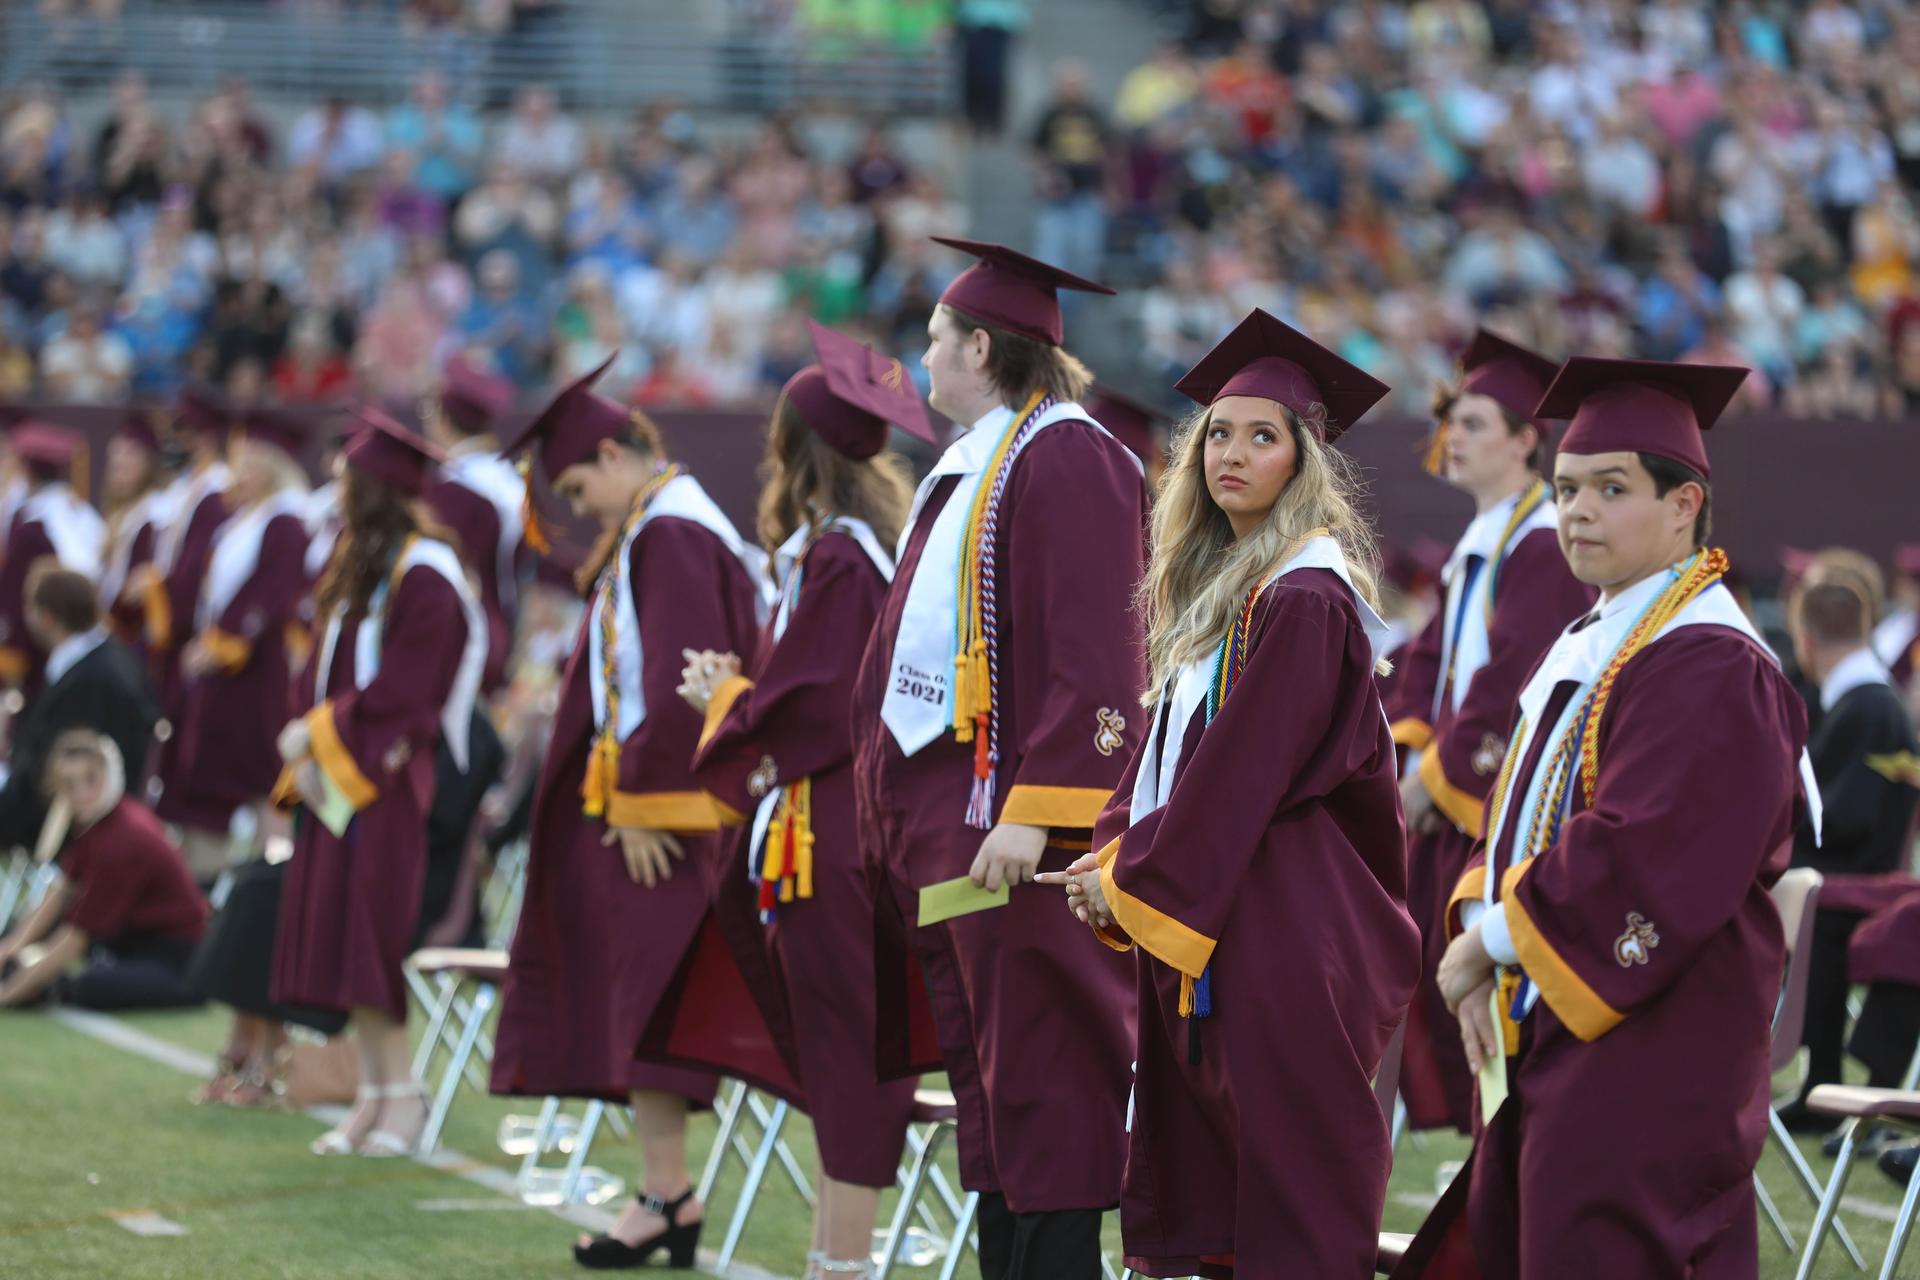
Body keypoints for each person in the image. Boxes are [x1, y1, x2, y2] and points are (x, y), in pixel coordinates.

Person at [1399, 357, 1823, 1278]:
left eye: (1611, 489)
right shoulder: (1597, 636)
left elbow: (1643, 853)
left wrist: (1490, 941)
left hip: (1648, 1044)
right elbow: (1510, 814)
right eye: (1565, 489)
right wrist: (1475, 934)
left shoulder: (1710, 660)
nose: (1577, 511)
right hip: (1552, 1021)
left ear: (1684, 505)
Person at [1041, 309, 1421, 1275]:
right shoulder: (1230, 593)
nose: (1232, 455)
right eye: (1218, 433)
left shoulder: (1305, 597)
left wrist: (1127, 875)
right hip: (1228, 923)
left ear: (1304, 461)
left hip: (1287, 927)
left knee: (1292, 1205)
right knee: (1227, 1201)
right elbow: (1166, 755)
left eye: (1263, 436)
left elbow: (1237, 775)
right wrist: (1110, 848)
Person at [848, 237, 1143, 1280]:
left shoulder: (1067, 454)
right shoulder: (982, 457)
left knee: (1048, 1082)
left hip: (1021, 841)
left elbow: (1096, 652)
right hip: (962, 838)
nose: (922, 358)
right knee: (996, 1088)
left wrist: (1038, 809)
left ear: (981, 346)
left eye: (936, 338)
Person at [487, 356, 767, 1271]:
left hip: (668, 814)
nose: (576, 507)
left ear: (613, 454)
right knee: (642, 1002)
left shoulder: (672, 531)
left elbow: (687, 679)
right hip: (643, 804)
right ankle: (663, 1193)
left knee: (657, 1002)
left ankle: (667, 1194)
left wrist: (648, 805)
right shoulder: (656, 523)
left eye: (576, 487)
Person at [682, 322, 933, 1279]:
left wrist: (727, 701)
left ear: (793, 449)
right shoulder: (844, 552)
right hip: (823, 829)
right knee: (836, 1047)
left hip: (836, 834)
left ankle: (845, 1263)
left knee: (851, 1049)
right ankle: (832, 1255)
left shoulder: (840, 559)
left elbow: (821, 705)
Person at [1386, 331, 1595, 1134]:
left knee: (1483, 989)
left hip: (1499, 809)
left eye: (1474, 422)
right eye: (1452, 421)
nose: (1454, 436)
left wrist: (1436, 778)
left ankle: (1498, 1153)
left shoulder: (1542, 540)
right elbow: (1427, 662)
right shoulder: (1483, 541)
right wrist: (1405, 753)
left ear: (1524, 440)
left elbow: (1511, 678)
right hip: (1449, 798)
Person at [274, 407, 485, 1158]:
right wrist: (305, 749)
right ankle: (371, 1094)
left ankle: (404, 1097)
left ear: (376, 492)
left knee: (374, 938)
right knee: (344, 938)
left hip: (386, 785)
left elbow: (408, 696)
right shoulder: (362, 564)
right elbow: (321, 670)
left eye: (347, 484)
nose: (336, 497)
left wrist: (317, 734)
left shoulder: (426, 576)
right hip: (338, 780)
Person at [1777, 564, 1920, 1128]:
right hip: (1851, 875)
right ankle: (1818, 1080)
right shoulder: (1862, 702)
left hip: (1861, 882)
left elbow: (1846, 818)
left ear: (1806, 639)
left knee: (1807, 901)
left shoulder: (1868, 707)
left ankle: (1823, 1081)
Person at [155, 409, 312, 882]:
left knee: (268, 780)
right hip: (222, 677)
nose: (240, 469)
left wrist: (226, 641)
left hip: (258, 674)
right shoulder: (242, 518)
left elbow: (273, 594)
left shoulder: (286, 520)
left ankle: (274, 877)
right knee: (215, 781)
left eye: (250, 459)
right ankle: (208, 883)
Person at [0, 732, 206, 1011]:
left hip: (173, 956)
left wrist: (7, 995)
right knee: (16, 934)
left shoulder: (123, 836)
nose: (81, 794)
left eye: (90, 779)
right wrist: (10, 947)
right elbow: (59, 891)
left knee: (87, 987)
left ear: (109, 775)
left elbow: (75, 938)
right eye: (70, 784)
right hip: (128, 938)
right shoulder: (96, 822)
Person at [0, 562, 159, 853]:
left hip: (70, 824)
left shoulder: (90, 681)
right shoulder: (109, 657)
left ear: (47, 617)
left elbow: (54, 773)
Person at [421, 355, 524, 696]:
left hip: (465, 635)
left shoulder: (458, 491)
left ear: (443, 420)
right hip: (503, 627)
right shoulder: (506, 479)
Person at [0, 421, 106, 692]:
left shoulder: (31, 526)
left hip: (42, 647)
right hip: (91, 640)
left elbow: (13, 597)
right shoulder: (83, 514)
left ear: (27, 471)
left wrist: (11, 652)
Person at [96, 407, 173, 653]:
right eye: (117, 453)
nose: (121, 461)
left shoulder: (157, 514)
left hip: (136, 640)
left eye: (131, 453)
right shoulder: (116, 514)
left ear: (149, 462)